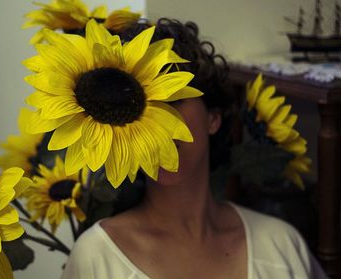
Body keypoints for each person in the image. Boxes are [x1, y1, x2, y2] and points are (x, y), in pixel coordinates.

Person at [61, 18, 327, 279]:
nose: (159, 124)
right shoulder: (97, 257)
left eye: (173, 100)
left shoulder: (280, 246)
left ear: (213, 118)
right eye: (141, 108)